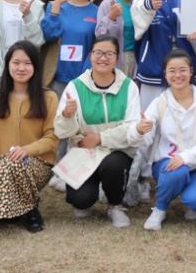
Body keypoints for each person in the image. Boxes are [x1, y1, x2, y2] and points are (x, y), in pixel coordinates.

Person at [0, 41, 57, 232]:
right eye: (16, 62)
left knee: (16, 162)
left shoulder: (49, 97)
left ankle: (31, 210)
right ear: (8, 65)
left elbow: (52, 138)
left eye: (27, 63)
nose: (21, 68)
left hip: (37, 163)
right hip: (0, 162)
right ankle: (14, 211)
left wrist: (26, 150)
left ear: (36, 67)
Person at [54, 35, 142, 226]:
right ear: (90, 55)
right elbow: (62, 132)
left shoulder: (129, 86)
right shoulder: (75, 86)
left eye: (109, 53)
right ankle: (87, 193)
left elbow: (131, 127)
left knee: (113, 164)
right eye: (98, 53)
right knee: (80, 201)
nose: (103, 58)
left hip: (116, 151)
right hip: (84, 152)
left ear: (117, 57)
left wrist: (99, 138)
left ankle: (115, 205)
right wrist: (67, 116)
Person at [130, 49, 196, 231]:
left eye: (183, 70)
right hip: (166, 165)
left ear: (191, 71)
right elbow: (145, 138)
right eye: (172, 71)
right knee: (177, 172)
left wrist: (185, 158)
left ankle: (190, 198)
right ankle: (159, 209)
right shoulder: (159, 102)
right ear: (165, 74)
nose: (178, 75)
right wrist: (141, 129)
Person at [131, 0, 196, 108]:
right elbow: (139, 8)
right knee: (150, 115)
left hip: (180, 70)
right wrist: (149, 5)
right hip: (153, 68)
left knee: (180, 114)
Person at [42, 0, 99, 101]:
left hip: (84, 79)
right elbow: (49, 35)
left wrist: (87, 72)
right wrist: (56, 6)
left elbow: (97, 45)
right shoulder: (54, 5)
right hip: (55, 77)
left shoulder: (96, 11)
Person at [95, 0, 141, 77]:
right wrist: (110, 17)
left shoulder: (140, 3)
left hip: (137, 60)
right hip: (116, 60)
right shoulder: (108, 4)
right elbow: (99, 36)